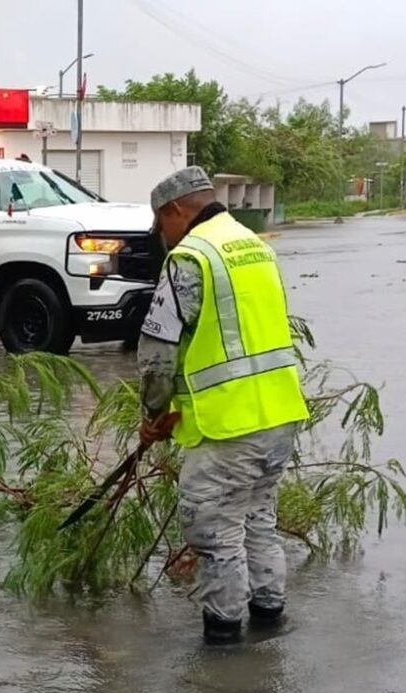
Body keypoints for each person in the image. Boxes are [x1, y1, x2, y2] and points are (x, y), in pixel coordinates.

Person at [137, 167, 309, 645]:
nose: (162, 237)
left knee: (215, 535)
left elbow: (157, 352)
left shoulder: (190, 257)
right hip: (278, 415)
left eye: (160, 225)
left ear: (175, 210)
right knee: (257, 523)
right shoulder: (256, 246)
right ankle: (270, 627)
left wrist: (152, 416)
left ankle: (224, 655)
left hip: (229, 427)